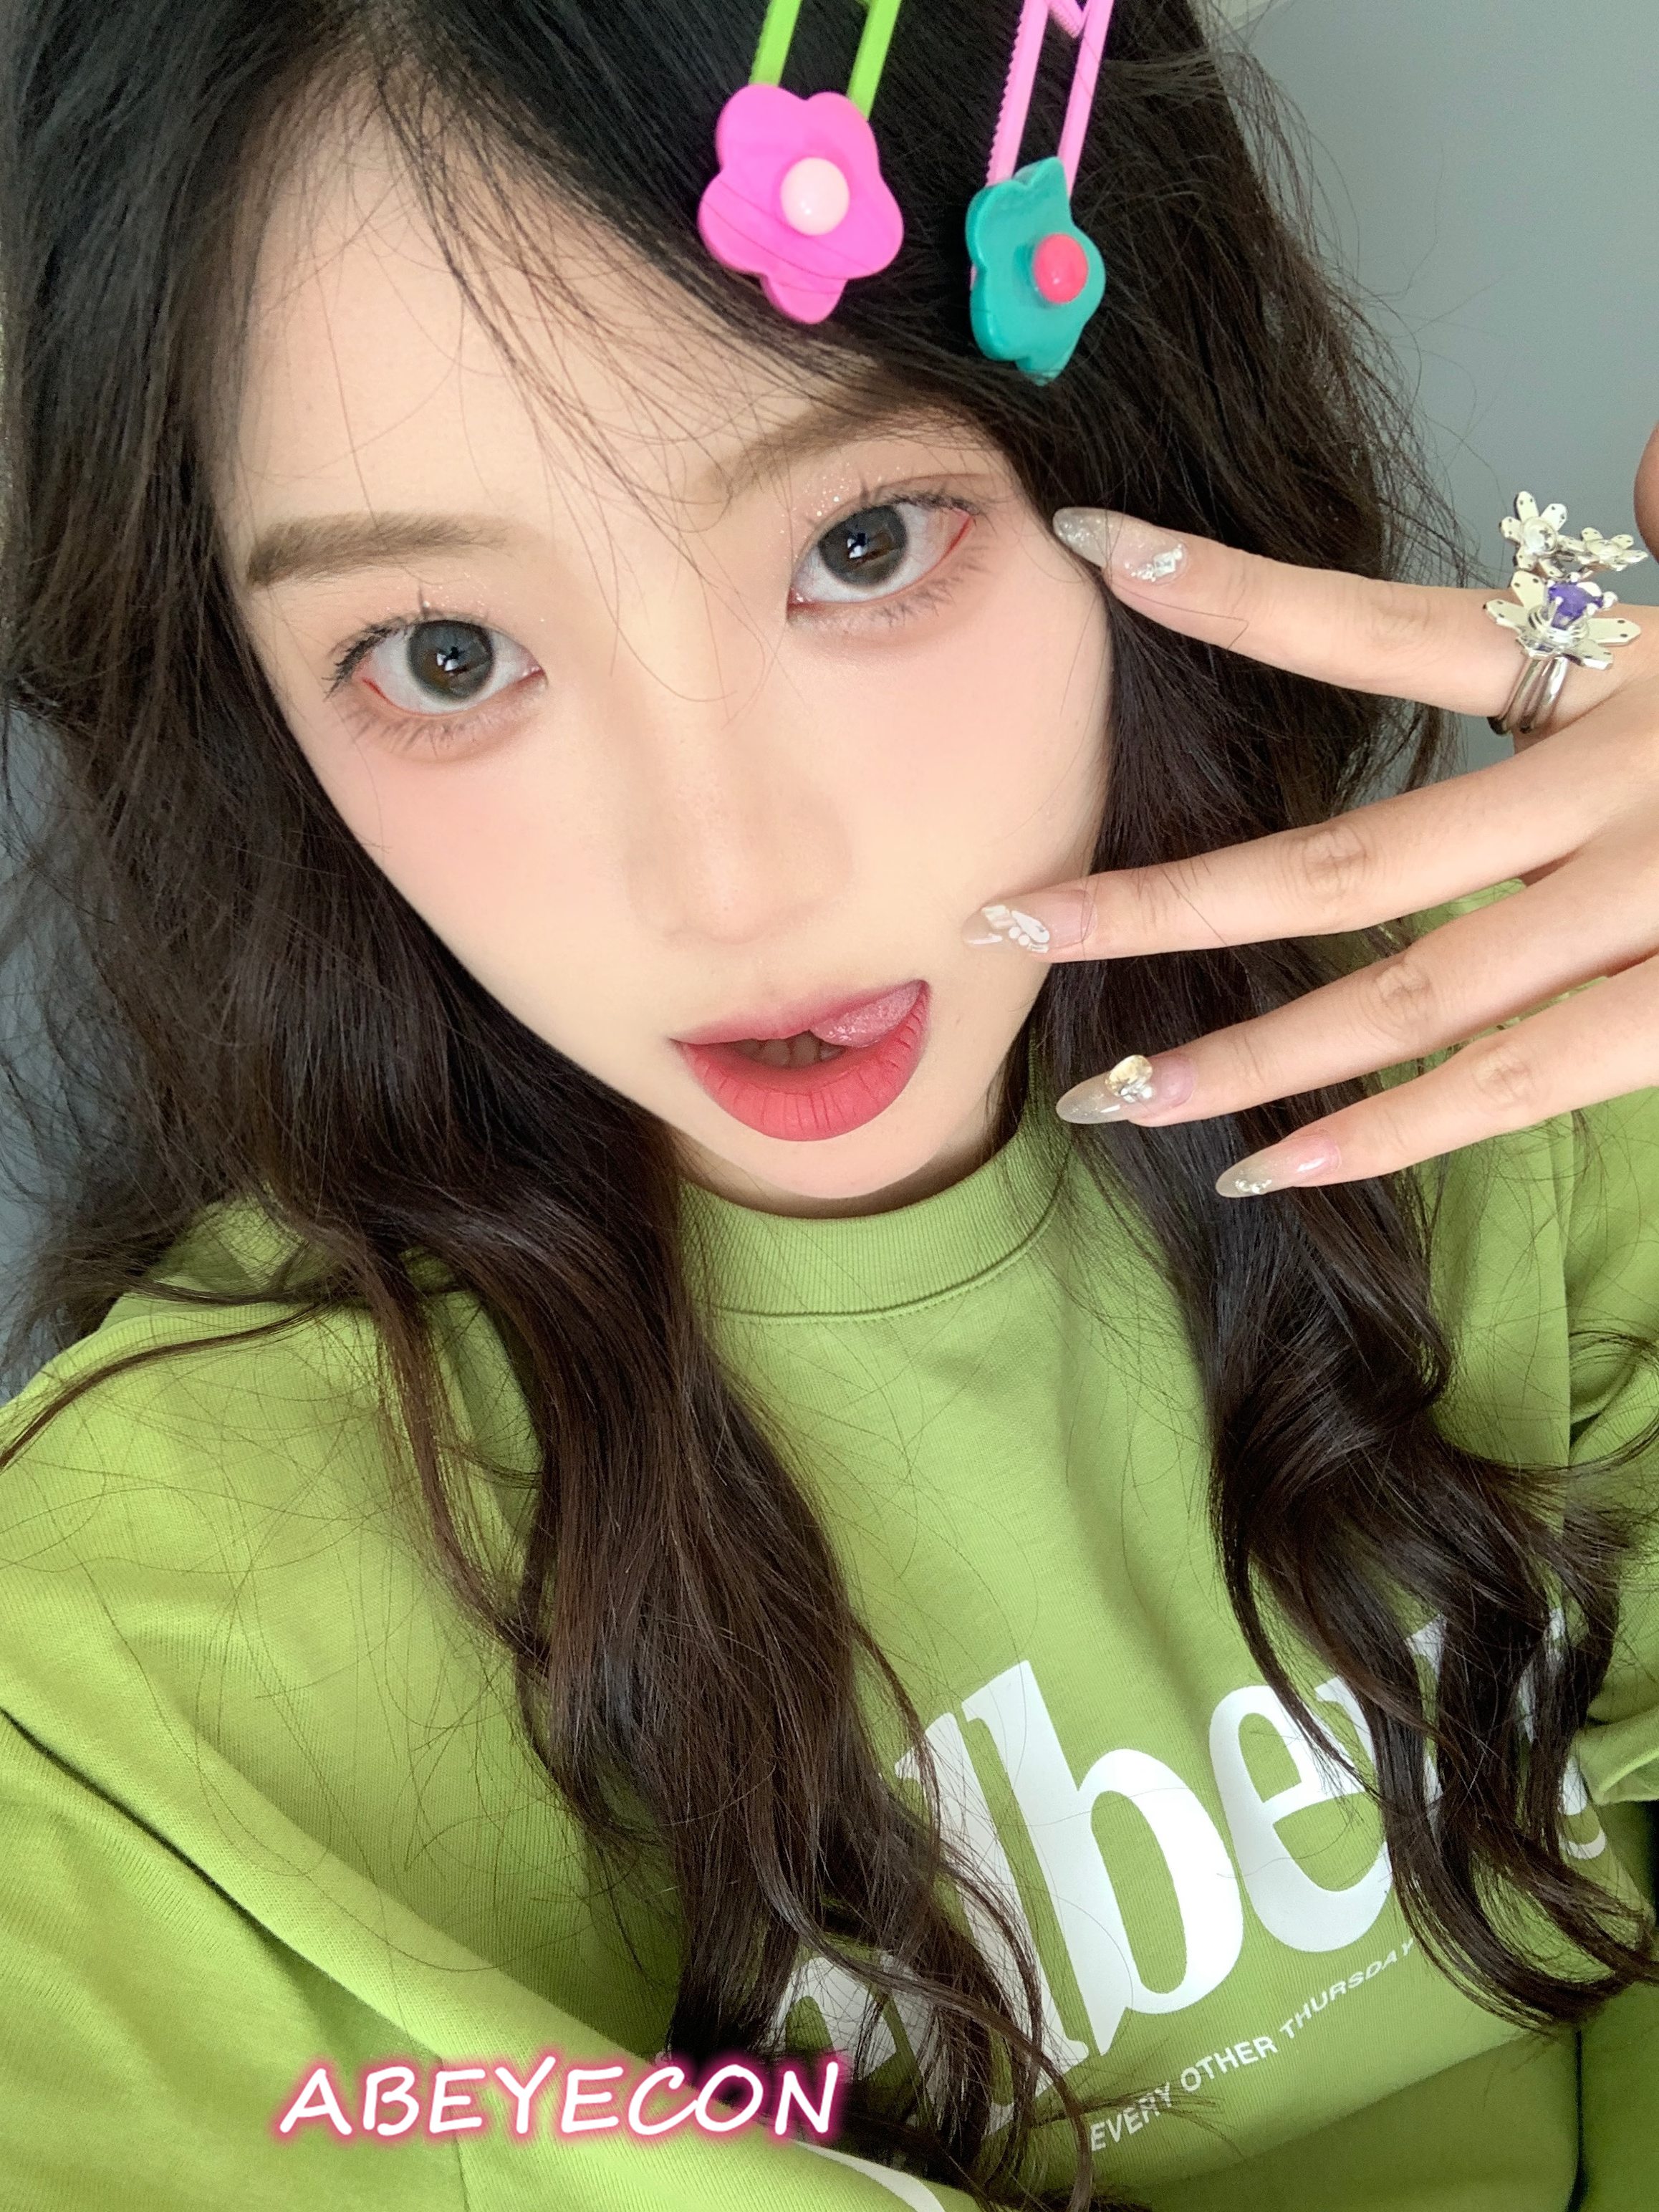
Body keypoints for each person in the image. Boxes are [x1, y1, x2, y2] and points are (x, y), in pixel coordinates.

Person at [0, 1, 1655, 2208]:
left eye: (863, 544)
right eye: (444, 655)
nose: (729, 885)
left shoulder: (1534, 1099)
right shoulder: (131, 1671)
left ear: (1132, 453)